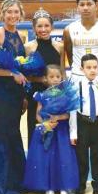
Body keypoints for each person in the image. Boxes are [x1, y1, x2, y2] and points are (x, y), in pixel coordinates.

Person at [63, 0, 98, 189]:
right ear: (77, 6)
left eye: (89, 4)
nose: (85, 8)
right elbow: (69, 54)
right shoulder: (69, 30)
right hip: (77, 81)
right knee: (78, 128)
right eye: (82, 4)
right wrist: (81, 75)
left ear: (96, 5)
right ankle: (79, 175)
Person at [0, 0, 28, 194]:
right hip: (1, 91)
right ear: (2, 13)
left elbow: (20, 66)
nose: (12, 15)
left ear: (21, 14)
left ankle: (15, 181)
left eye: (16, 12)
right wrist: (12, 75)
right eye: (9, 12)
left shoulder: (22, 35)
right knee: (0, 134)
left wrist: (25, 93)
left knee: (13, 132)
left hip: (17, 93)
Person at [23, 65, 78, 194]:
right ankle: (49, 185)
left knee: (62, 157)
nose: (55, 79)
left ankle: (63, 185)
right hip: (47, 130)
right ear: (45, 79)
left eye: (58, 76)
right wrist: (45, 123)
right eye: (51, 77)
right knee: (48, 158)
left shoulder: (65, 96)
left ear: (62, 78)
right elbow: (37, 114)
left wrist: (58, 117)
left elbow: (68, 114)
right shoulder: (41, 95)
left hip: (61, 131)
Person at [70, 54, 98, 194]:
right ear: (82, 69)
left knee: (97, 156)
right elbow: (72, 110)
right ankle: (81, 186)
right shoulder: (76, 85)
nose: (92, 70)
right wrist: (73, 133)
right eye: (88, 67)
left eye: (95, 67)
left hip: (97, 124)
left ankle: (97, 186)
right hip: (82, 123)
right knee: (81, 157)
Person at [25, 8, 64, 146]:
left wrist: (62, 95)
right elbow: (26, 75)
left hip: (55, 95)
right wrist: (40, 80)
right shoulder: (29, 48)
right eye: (39, 26)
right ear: (34, 28)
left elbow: (62, 72)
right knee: (36, 128)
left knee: (55, 128)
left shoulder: (60, 46)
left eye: (46, 25)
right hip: (36, 95)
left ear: (52, 27)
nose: (43, 29)